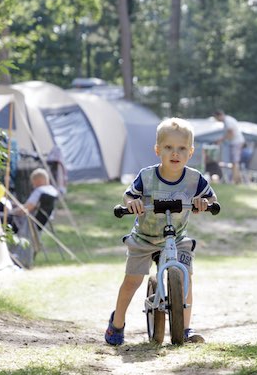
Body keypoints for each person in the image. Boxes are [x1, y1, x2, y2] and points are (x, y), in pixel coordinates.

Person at [105, 117, 218, 346]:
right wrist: (132, 204)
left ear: (190, 152)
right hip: (144, 238)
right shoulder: (147, 176)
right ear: (158, 150)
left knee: (186, 278)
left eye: (181, 148)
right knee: (132, 281)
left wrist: (203, 203)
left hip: (176, 238)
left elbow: (211, 198)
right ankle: (117, 323)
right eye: (168, 147)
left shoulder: (194, 179)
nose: (175, 153)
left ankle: (185, 328)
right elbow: (129, 195)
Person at [8, 168, 59, 267]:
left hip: (30, 224)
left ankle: (12, 255)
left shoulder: (39, 191)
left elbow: (26, 209)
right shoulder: (53, 191)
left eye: (33, 183)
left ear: (38, 181)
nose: (33, 185)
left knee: (5, 220)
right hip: (44, 223)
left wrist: (11, 211)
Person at [213, 110, 245, 184]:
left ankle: (235, 181)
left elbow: (231, 133)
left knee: (234, 162)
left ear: (219, 116)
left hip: (236, 142)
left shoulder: (228, 121)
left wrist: (221, 140)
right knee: (235, 162)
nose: (217, 120)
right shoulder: (228, 119)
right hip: (237, 142)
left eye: (216, 118)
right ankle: (238, 180)